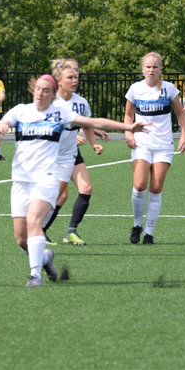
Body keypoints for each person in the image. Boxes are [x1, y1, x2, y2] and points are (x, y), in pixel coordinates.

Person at [0, 75, 150, 287]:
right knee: (20, 238)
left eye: (46, 90)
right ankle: (45, 258)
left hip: (46, 178)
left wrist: (128, 127)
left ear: (52, 94)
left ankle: (35, 276)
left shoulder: (60, 113)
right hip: (21, 181)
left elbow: (95, 122)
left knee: (34, 221)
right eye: (38, 89)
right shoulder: (20, 110)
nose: (41, 93)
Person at [42, 58, 110, 246]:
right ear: (60, 78)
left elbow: (86, 124)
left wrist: (93, 143)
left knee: (86, 188)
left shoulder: (81, 102)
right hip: (51, 154)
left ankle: (71, 231)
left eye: (76, 75)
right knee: (59, 194)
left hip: (70, 153)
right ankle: (37, 229)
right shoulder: (50, 101)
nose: (74, 79)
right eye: (71, 75)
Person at [124, 51, 185, 245]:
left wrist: (184, 135)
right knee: (139, 185)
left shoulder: (169, 89)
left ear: (160, 69)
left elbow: (180, 113)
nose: (151, 70)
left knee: (156, 187)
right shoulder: (135, 89)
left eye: (155, 67)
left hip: (163, 145)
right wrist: (128, 133)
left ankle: (149, 233)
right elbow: (128, 115)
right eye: (148, 67)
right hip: (142, 143)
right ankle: (137, 224)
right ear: (142, 69)